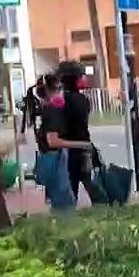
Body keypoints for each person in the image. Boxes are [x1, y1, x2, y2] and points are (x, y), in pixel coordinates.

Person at [33, 74, 86, 212]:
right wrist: (81, 144)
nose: (62, 92)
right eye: (59, 88)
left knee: (59, 201)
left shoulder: (43, 110)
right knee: (64, 203)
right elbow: (53, 141)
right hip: (55, 159)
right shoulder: (53, 111)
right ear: (53, 90)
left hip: (47, 158)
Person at [57, 61, 92, 202]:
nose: (85, 78)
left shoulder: (60, 100)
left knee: (70, 186)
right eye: (82, 75)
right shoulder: (81, 99)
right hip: (81, 145)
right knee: (90, 181)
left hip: (65, 147)